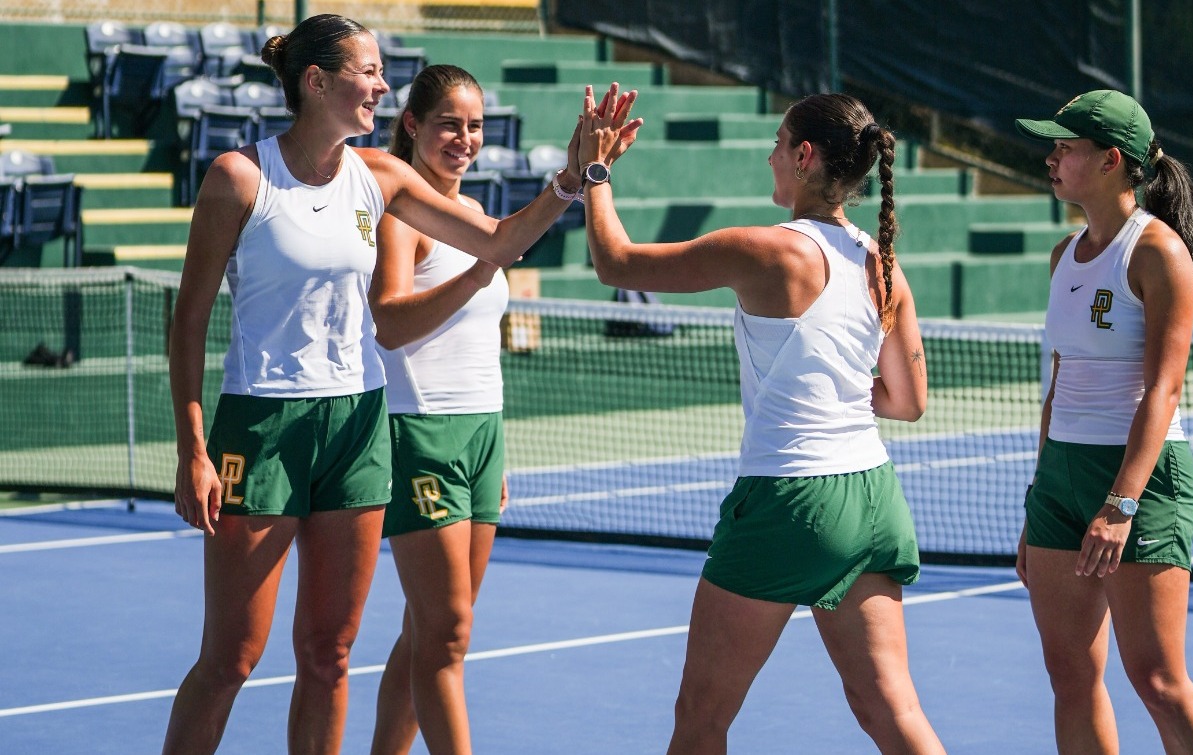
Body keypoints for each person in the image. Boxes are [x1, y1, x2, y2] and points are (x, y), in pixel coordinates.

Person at [163, 14, 632, 752]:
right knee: (232, 658)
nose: (383, 86)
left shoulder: (380, 174)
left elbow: (498, 241)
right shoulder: (238, 178)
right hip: (260, 427)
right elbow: (188, 321)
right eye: (369, 72)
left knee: (329, 654)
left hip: (358, 429)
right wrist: (193, 448)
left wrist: (574, 178)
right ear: (317, 82)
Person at [577, 91, 944, 753]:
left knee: (701, 717)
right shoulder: (882, 264)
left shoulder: (764, 249)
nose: (769, 156)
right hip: (873, 499)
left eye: (778, 144)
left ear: (804, 157)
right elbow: (908, 401)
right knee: (892, 709)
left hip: (788, 502)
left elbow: (615, 264)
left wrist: (594, 170)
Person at [1013, 90, 1193, 754]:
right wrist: (1038, 497)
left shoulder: (1158, 252)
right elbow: (1058, 384)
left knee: (1158, 680)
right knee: (1070, 675)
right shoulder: (1062, 255)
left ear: (1110, 161)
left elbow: (1163, 389)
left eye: (1064, 147)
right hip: (1060, 479)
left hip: (1140, 478)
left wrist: (1121, 502)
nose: (1051, 159)